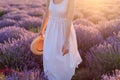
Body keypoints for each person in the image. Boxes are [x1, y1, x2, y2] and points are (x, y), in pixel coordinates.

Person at [39, 0, 82, 80]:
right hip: (51, 32)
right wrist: (42, 30)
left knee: (63, 62)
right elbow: (47, 15)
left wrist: (66, 42)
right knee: (50, 58)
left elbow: (69, 20)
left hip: (64, 33)